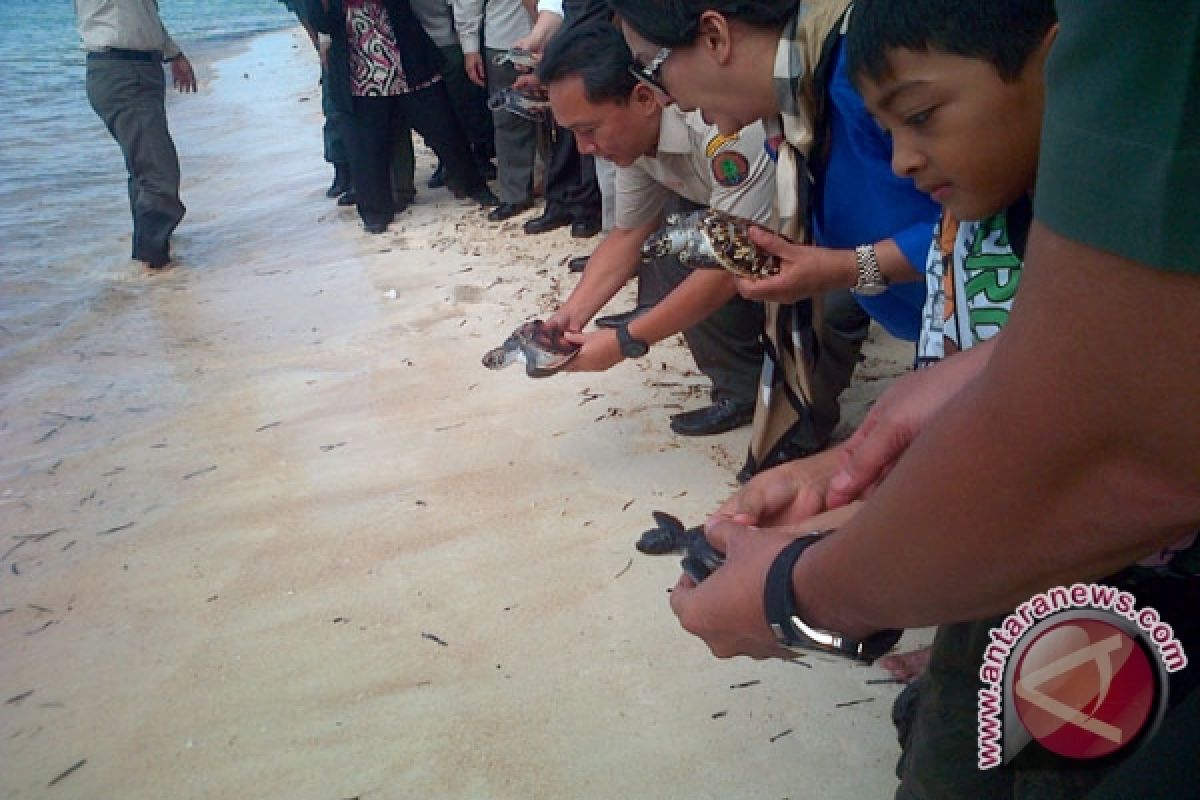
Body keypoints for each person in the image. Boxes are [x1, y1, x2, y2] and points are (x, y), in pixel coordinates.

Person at [660, 1, 1200, 796]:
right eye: (889, 134)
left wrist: (802, 589)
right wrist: (850, 473)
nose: (905, 161)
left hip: (1104, 573)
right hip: (993, 518)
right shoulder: (981, 189)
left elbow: (1094, 448)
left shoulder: (1079, 202)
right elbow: (933, 253)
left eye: (920, 118)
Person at [611, 0, 939, 481]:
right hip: (935, 328)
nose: (666, 100)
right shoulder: (791, 118)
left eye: (653, 72)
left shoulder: (863, 76)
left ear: (715, 36)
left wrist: (851, 268)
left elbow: (991, 230)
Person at [539, 22, 767, 436]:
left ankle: (801, 419)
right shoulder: (634, 141)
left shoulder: (722, 127)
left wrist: (626, 340)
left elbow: (729, 265)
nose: (583, 149)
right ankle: (742, 390)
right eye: (573, 133)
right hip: (733, 227)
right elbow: (628, 234)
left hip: (807, 235)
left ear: (643, 98)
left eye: (588, 130)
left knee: (702, 250)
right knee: (673, 247)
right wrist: (569, 317)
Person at [307, 0, 498, 235]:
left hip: (407, 56)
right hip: (358, 69)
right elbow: (321, 22)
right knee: (366, 146)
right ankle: (375, 212)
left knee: (444, 128)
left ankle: (474, 186)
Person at [74, 0, 196, 269]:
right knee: (158, 173)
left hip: (136, 69)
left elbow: (143, 16)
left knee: (145, 169)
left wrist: (173, 53)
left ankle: (150, 254)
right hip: (122, 70)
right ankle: (153, 263)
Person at [454, 0, 542, 224]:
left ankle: (566, 195)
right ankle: (515, 194)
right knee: (508, 119)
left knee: (565, 122)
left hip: (558, 33)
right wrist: (470, 47)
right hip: (505, 37)